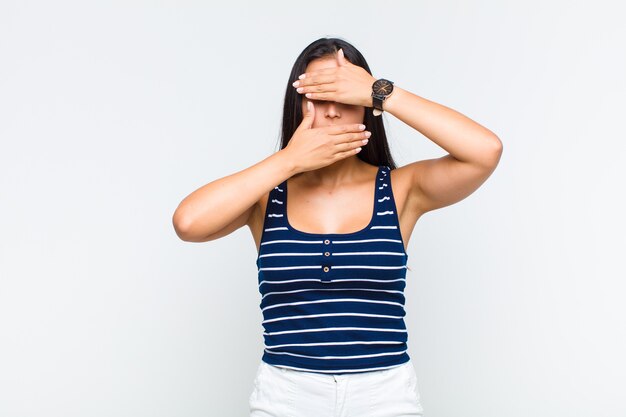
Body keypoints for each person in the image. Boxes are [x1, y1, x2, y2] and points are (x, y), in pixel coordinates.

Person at [172, 37, 502, 417]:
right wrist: (289, 161)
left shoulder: (400, 190)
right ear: (296, 107)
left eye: (344, 97)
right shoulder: (266, 195)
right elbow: (188, 222)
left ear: (365, 108)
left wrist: (382, 92)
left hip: (385, 395)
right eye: (316, 96)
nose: (330, 113)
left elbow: (485, 151)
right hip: (286, 395)